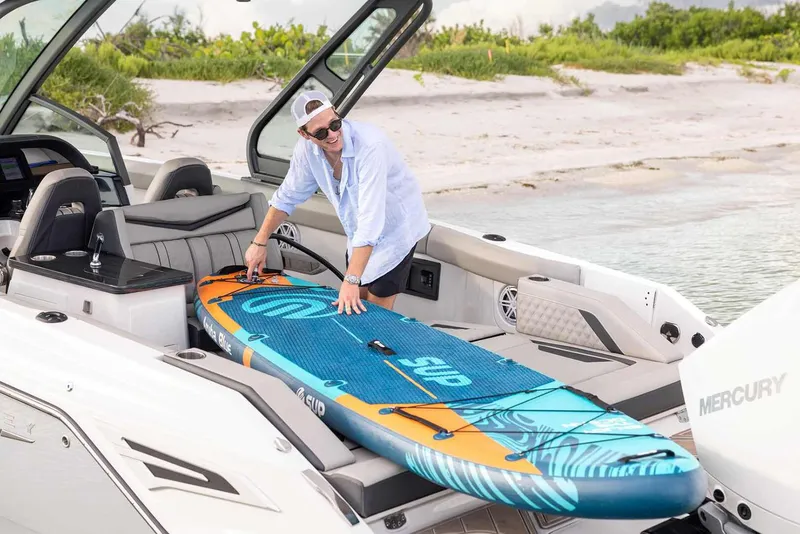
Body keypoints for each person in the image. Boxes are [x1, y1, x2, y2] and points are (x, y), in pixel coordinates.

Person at [244, 90, 431, 315]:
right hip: (358, 234)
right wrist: (260, 243)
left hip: (396, 230)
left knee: (378, 311)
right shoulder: (306, 151)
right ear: (304, 135)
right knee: (357, 305)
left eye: (335, 124)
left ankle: (379, 343)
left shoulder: (371, 146)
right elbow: (287, 196)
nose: (332, 135)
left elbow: (371, 220)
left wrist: (350, 281)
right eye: (321, 133)